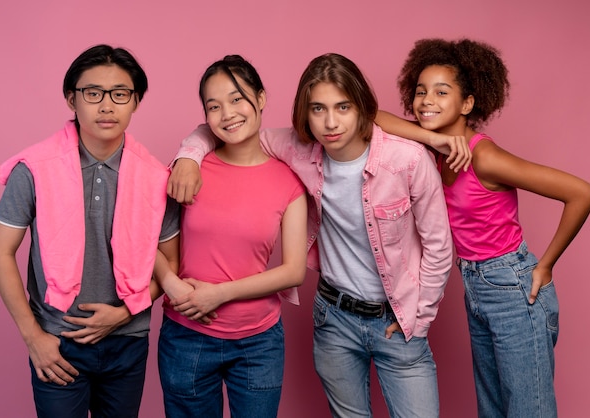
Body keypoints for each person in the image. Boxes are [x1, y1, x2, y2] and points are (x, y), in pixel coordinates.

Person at [168, 53, 454, 418]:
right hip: (334, 319)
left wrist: (419, 317)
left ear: (361, 107)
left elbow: (439, 248)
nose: (330, 122)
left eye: (343, 107)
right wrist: (189, 157)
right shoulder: (297, 148)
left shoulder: (409, 160)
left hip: (397, 319)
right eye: (317, 109)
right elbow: (226, 126)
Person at [376, 38, 590, 418]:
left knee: (530, 411)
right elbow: (368, 115)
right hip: (475, 287)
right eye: (420, 91)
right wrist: (431, 137)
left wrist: (544, 266)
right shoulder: (435, 149)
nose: (427, 100)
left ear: (467, 104)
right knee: (493, 409)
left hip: (513, 288)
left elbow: (582, 192)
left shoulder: (484, 157)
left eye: (441, 92)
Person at [0, 44, 181, 418]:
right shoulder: (34, 168)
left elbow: (170, 265)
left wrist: (124, 313)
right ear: (71, 99)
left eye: (119, 94)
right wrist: (33, 338)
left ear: (135, 101)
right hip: (57, 342)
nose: (106, 105)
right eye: (92, 93)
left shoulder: (158, 178)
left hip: (128, 342)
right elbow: (0, 252)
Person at [155, 55, 307, 418]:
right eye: (214, 106)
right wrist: (170, 284)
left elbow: (293, 272)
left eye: (237, 99)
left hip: (259, 343)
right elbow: (151, 246)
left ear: (261, 98)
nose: (227, 114)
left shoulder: (289, 181)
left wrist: (219, 294)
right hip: (186, 337)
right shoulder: (187, 171)